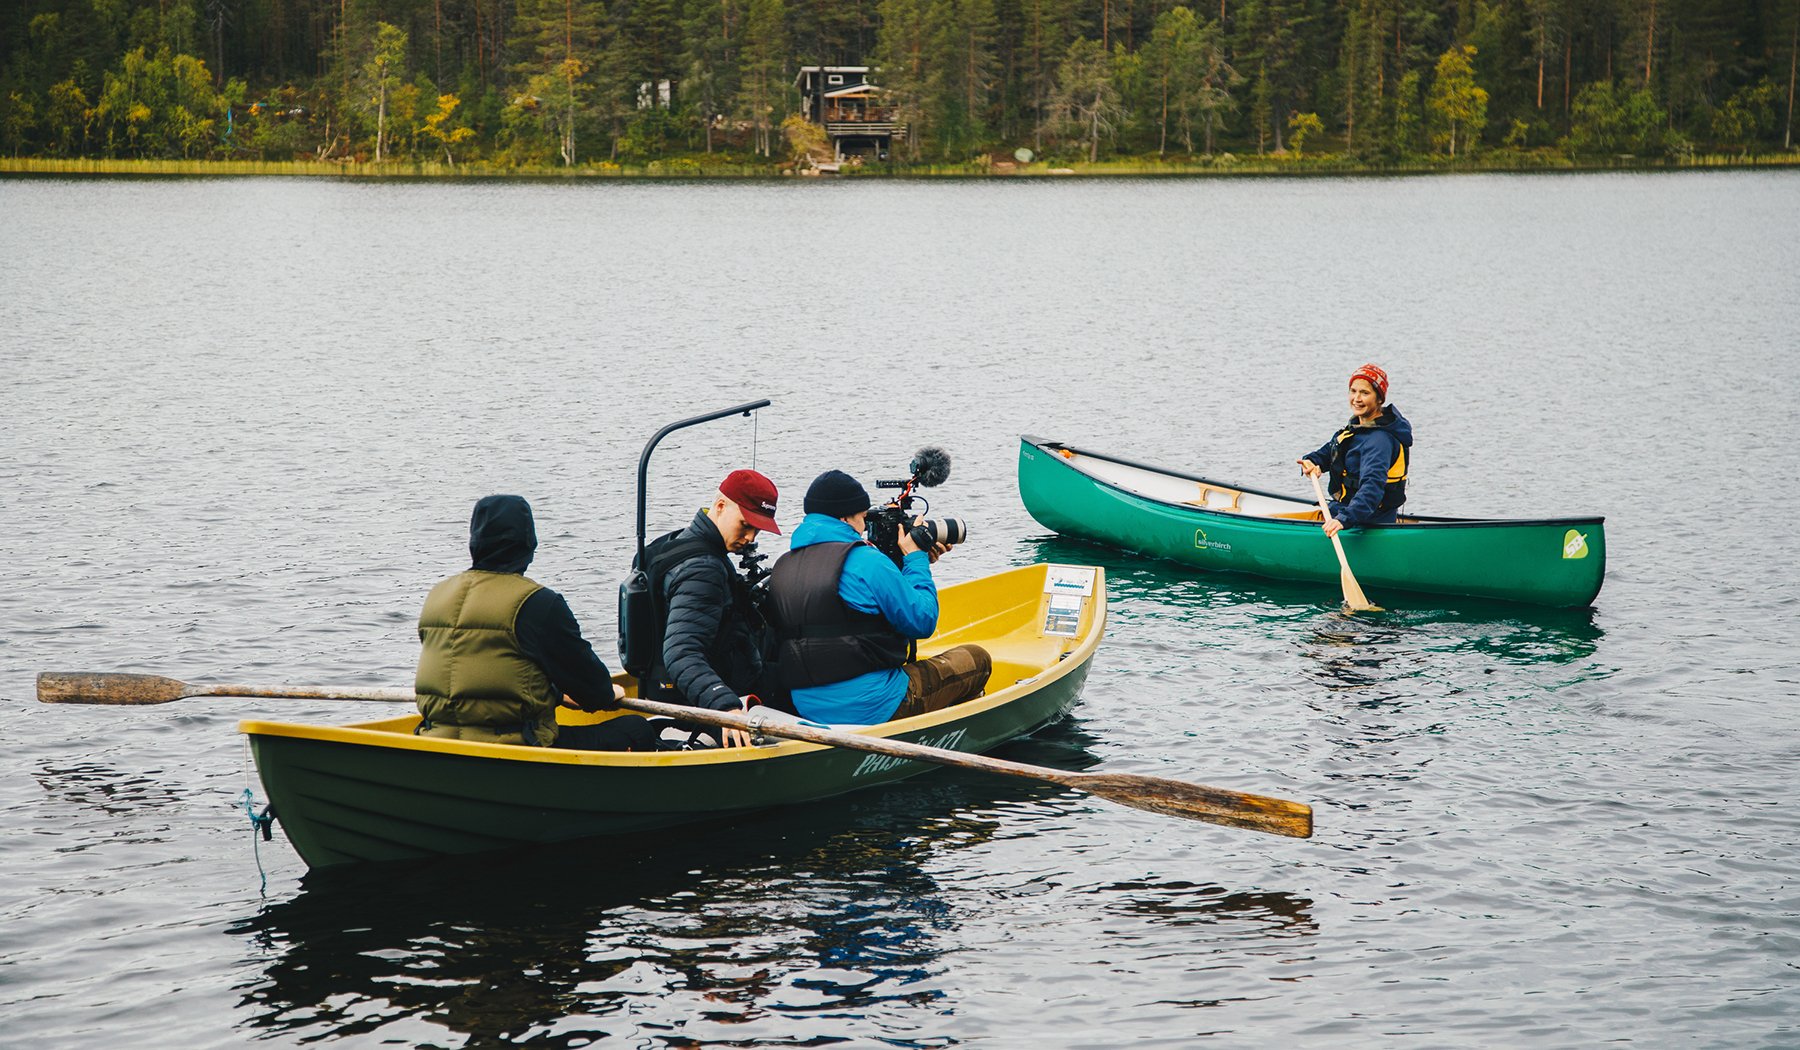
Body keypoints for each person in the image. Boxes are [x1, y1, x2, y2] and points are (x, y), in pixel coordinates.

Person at [415, 494, 654, 750]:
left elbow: (481, 670)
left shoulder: (437, 595)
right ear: (529, 544)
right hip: (515, 746)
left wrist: (554, 693)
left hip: (435, 740)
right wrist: (610, 694)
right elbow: (592, 692)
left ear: (474, 541)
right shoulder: (537, 602)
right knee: (636, 729)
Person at [767, 469, 991, 726]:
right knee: (976, 658)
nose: (864, 527)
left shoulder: (784, 565)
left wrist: (908, 565)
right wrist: (916, 558)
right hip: (875, 707)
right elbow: (923, 621)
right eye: (864, 518)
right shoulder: (866, 561)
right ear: (846, 517)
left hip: (806, 708)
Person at [638, 469, 782, 749]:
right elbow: (681, 652)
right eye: (745, 525)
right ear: (720, 507)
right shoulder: (703, 569)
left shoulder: (672, 543)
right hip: (705, 704)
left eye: (757, 529)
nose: (751, 537)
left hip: (665, 689)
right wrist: (727, 709)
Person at [1297, 363, 1414, 537]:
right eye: (1353, 391)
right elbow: (1328, 453)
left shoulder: (1379, 441)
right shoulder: (1358, 427)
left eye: (1365, 393)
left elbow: (1372, 488)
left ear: (1379, 399)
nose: (1357, 399)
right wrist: (1312, 462)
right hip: (1347, 513)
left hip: (1367, 521)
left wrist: (1343, 520)